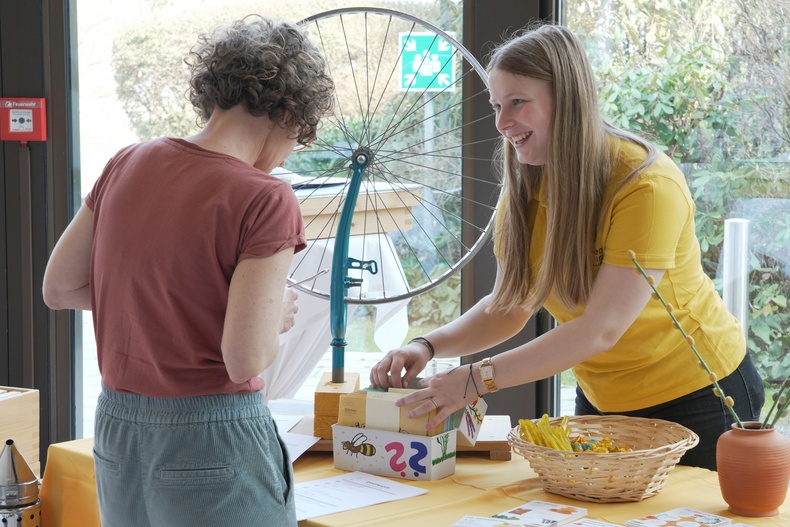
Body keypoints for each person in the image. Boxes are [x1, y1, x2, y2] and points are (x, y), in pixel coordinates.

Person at [370, 24, 764, 471]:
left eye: (517, 102)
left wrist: (477, 379)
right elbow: (510, 306)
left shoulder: (646, 185)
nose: (502, 123)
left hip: (700, 394)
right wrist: (426, 345)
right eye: (497, 106)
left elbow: (601, 329)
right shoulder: (528, 186)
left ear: (567, 98)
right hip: (602, 398)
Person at [42, 15, 334, 526]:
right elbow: (245, 359)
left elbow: (61, 287)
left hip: (118, 432)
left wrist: (176, 302)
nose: (286, 155)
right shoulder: (265, 197)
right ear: (288, 113)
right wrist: (269, 318)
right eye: (297, 139)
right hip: (213, 436)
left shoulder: (127, 162)